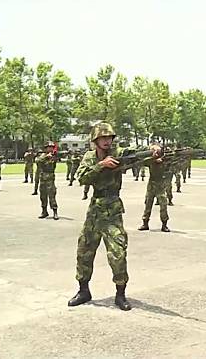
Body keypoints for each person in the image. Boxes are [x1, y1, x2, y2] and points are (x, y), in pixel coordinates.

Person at [68, 122, 136, 311]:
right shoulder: (90, 157)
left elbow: (135, 152)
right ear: (95, 140)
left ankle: (120, 294)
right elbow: (82, 178)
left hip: (113, 209)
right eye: (103, 138)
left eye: (109, 138)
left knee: (118, 253)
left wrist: (153, 149)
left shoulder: (118, 153)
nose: (107, 141)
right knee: (84, 250)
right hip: (95, 210)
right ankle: (83, 290)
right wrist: (101, 165)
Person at [139, 144, 172, 232]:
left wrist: (162, 160)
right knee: (148, 203)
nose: (156, 152)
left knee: (163, 204)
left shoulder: (166, 159)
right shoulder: (150, 160)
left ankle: (164, 224)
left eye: (157, 151)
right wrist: (153, 158)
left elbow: (170, 164)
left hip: (160, 185)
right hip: (151, 184)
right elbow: (143, 162)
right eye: (154, 151)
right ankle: (145, 223)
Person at [35, 141, 59, 220]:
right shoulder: (42, 156)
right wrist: (46, 157)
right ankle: (44, 211)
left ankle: (55, 211)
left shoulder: (54, 156)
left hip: (50, 178)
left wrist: (52, 156)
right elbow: (37, 161)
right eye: (49, 147)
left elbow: (55, 161)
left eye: (52, 147)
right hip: (43, 178)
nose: (50, 149)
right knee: (43, 195)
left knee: (52, 195)